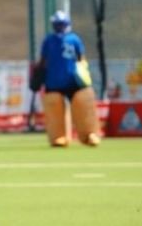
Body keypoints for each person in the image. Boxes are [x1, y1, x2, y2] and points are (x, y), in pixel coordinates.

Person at [35, 10, 101, 147]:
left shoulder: (74, 39)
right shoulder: (49, 40)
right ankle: (59, 137)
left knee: (83, 104)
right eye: (57, 24)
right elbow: (42, 61)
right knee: (54, 107)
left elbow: (81, 58)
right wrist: (38, 74)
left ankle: (89, 134)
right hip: (53, 81)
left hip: (74, 80)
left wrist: (84, 70)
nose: (60, 27)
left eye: (61, 24)